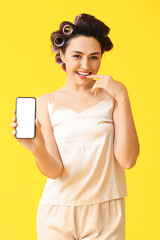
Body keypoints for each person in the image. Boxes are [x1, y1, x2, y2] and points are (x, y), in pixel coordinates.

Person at [11, 13, 140, 240]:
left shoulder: (113, 98)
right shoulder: (45, 102)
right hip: (57, 211)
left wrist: (123, 96)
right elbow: (54, 171)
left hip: (107, 211)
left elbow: (128, 160)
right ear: (62, 55)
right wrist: (37, 150)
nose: (85, 65)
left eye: (94, 57)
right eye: (77, 56)